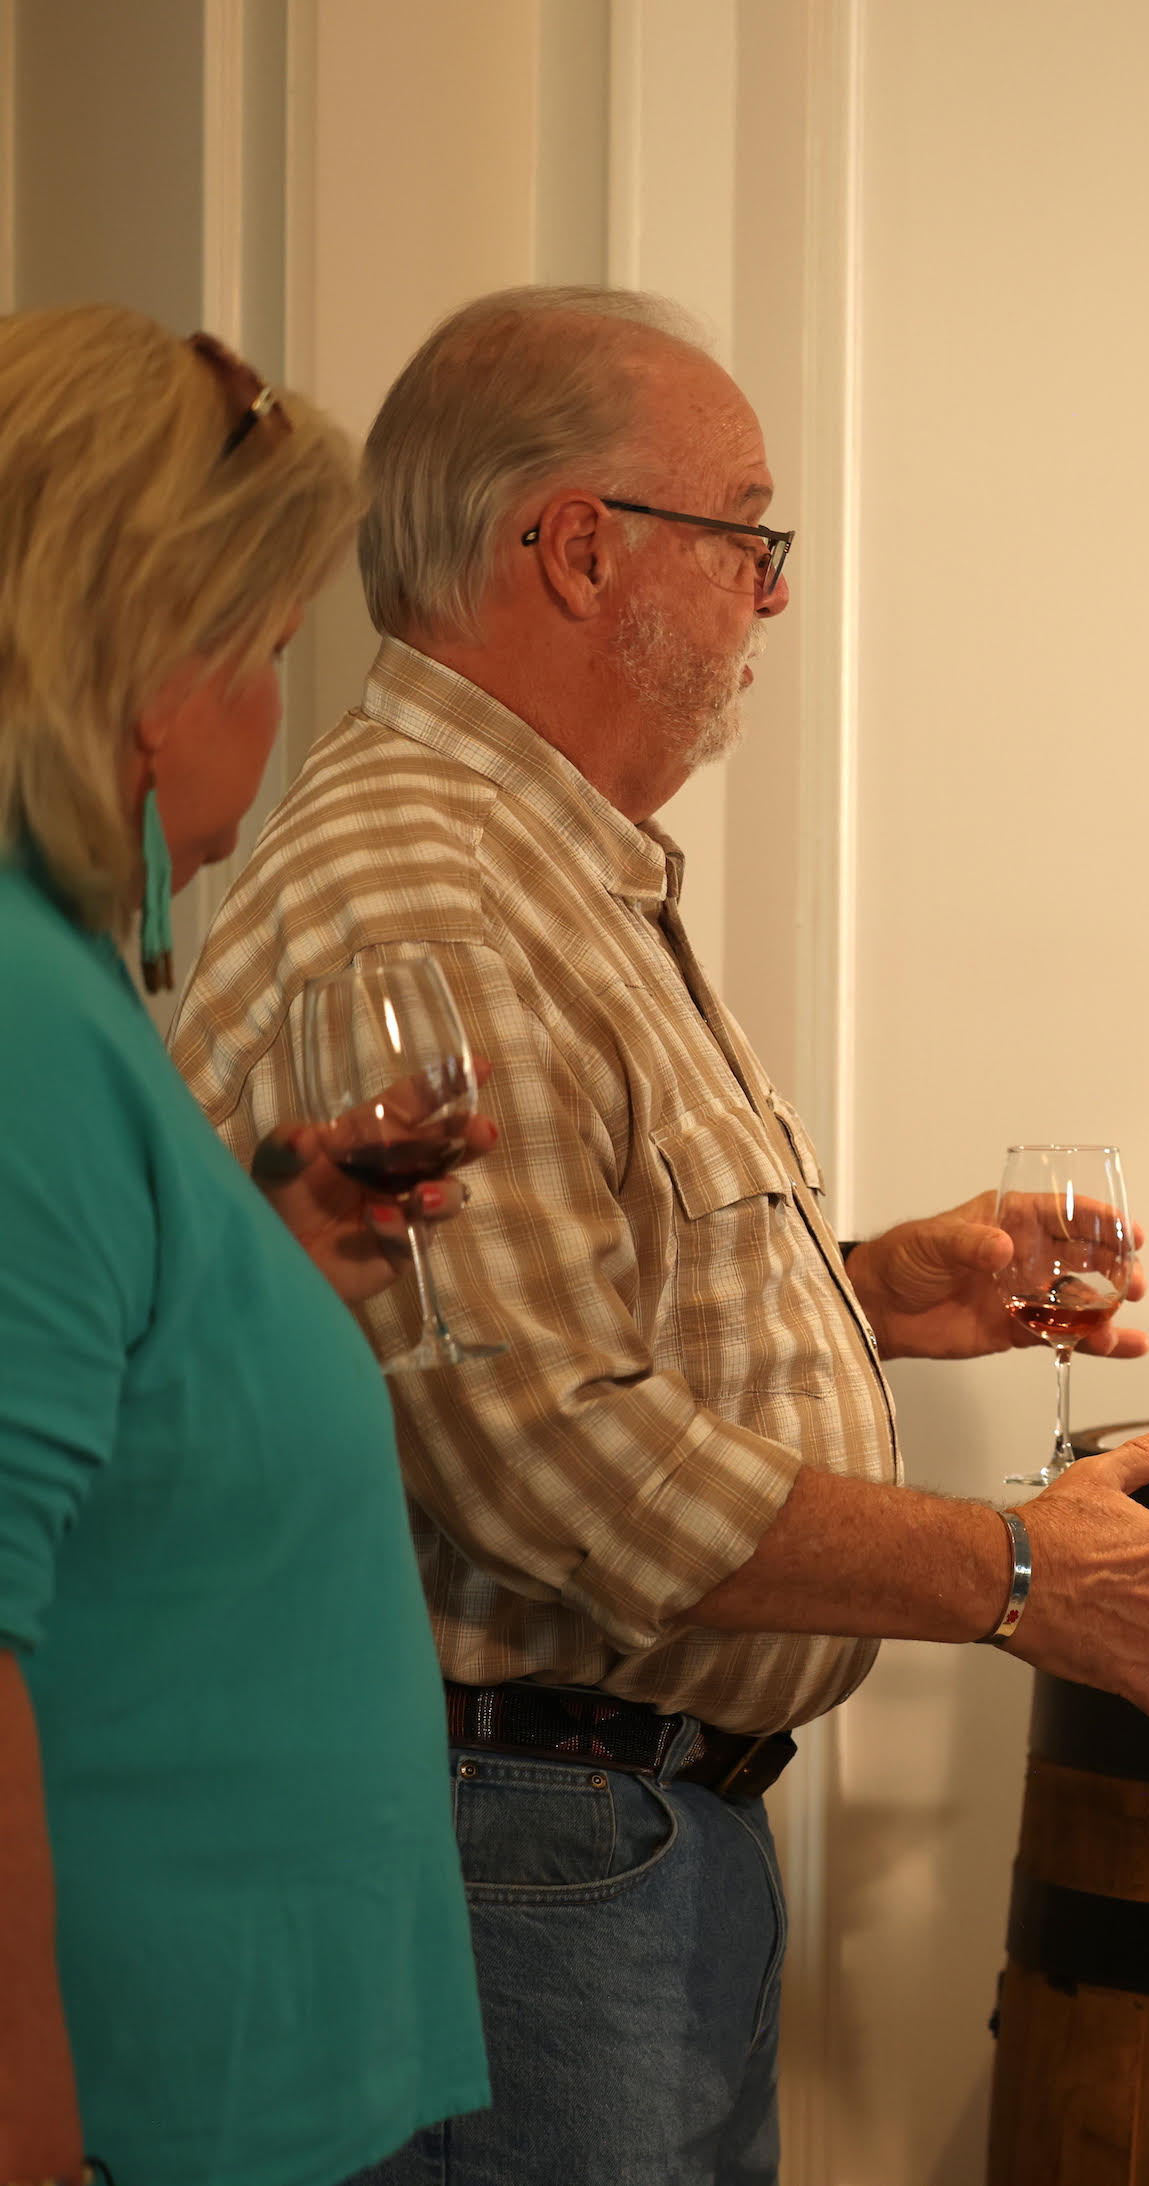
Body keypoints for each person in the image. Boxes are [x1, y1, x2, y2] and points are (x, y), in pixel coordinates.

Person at [166, 287, 1149, 2185]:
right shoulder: (431, 891)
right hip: (522, 1853)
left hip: (591, 1845)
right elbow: (538, 1444)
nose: (771, 599)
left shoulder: (528, 859)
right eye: (745, 538)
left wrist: (862, 1294)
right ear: (577, 548)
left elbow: (513, 1324)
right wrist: (1016, 1571)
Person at [0, 307, 490, 2185]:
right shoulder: (24, 1019)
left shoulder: (71, 988)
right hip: (147, 2110)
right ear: (152, 667)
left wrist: (263, 1254)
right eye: (276, 650)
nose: (282, 716)